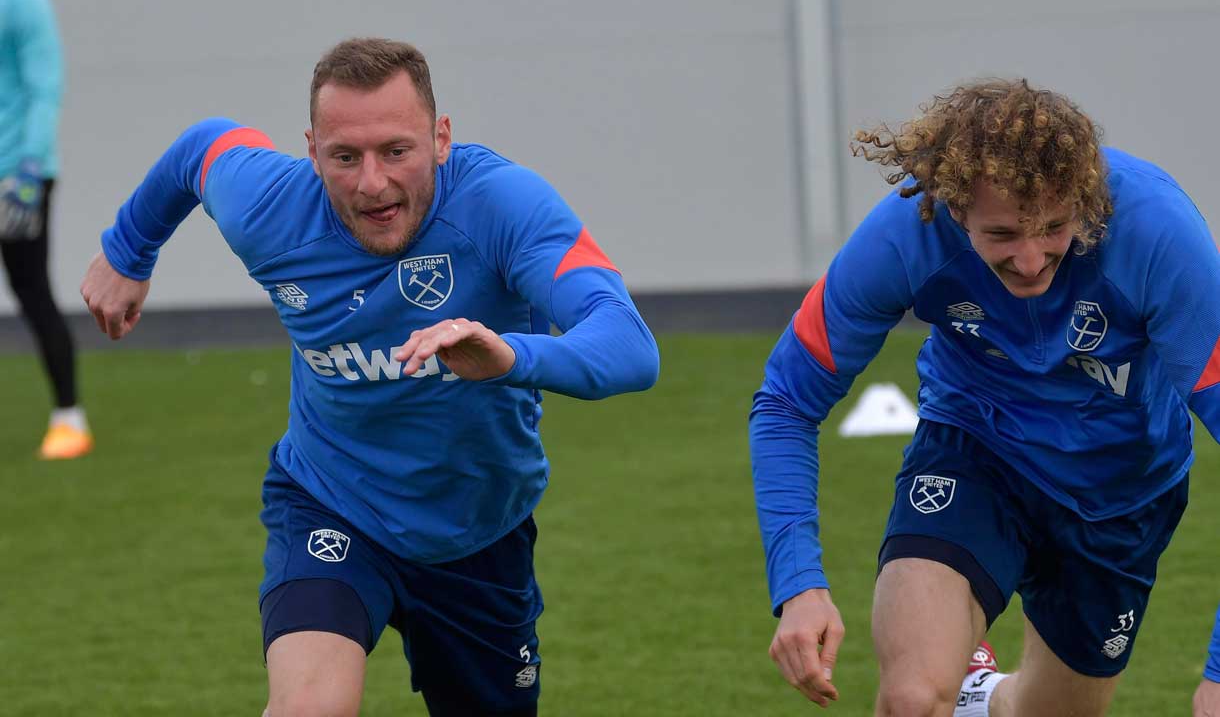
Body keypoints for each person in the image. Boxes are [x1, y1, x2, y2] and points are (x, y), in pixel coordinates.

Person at [80, 37, 659, 717]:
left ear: (441, 138)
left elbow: (629, 345)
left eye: (396, 151)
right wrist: (128, 250)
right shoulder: (271, 209)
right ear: (313, 150)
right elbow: (201, 148)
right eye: (345, 157)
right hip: (332, 501)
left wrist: (509, 356)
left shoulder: (504, 207)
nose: (372, 183)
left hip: (477, 532)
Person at [749, 78, 1220, 716]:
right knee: (912, 699)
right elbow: (786, 401)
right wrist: (799, 584)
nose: (1030, 260)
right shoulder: (903, 235)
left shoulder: (1161, 239)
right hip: (976, 450)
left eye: (1054, 228)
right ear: (952, 206)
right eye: (1001, 235)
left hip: (1123, 490)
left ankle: (982, 697)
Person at [1, 0, 92, 459]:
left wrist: (30, 167)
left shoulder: (22, 5)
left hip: (18, 175)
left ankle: (68, 417)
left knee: (31, 290)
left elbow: (44, 85)